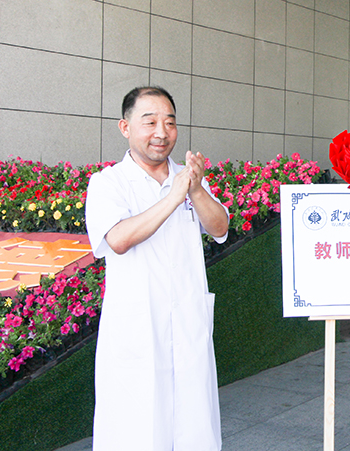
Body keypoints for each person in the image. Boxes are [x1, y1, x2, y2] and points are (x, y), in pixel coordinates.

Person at [85, 86, 229, 450]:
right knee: (137, 429)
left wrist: (195, 190)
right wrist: (174, 196)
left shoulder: (188, 177)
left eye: (170, 123)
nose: (161, 133)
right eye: (149, 122)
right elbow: (118, 239)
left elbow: (219, 227)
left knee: (194, 426)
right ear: (125, 127)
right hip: (137, 329)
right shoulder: (108, 183)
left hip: (187, 324)